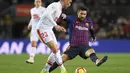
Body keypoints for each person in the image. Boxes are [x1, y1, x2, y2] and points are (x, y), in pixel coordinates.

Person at [49, 7, 108, 72]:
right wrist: (62, 15)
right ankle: (46, 70)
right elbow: (65, 16)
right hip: (73, 46)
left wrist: (93, 37)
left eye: (84, 14)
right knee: (60, 60)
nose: (83, 15)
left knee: (91, 51)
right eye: (81, 13)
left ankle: (97, 61)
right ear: (78, 13)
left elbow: (91, 29)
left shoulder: (89, 21)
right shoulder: (72, 19)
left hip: (84, 46)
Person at [36, 0, 72, 73]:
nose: (70, 4)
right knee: (55, 49)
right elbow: (46, 14)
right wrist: (55, 25)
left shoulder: (60, 9)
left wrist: (57, 26)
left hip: (49, 29)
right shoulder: (55, 5)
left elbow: (51, 20)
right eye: (69, 1)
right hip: (42, 29)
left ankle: (45, 70)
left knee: (55, 50)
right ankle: (63, 70)